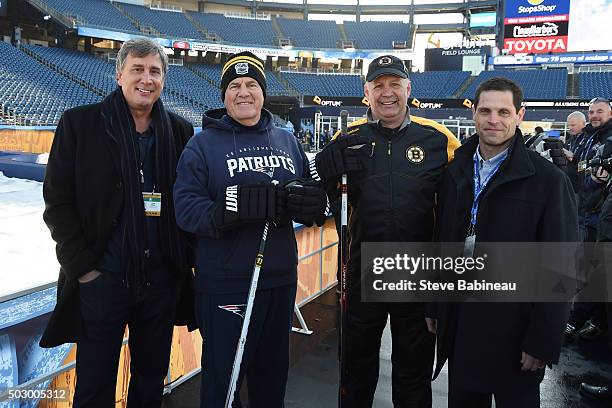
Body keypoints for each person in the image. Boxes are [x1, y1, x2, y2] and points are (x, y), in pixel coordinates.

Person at [41, 38, 196, 407]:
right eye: (138, 69)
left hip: (159, 283)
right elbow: (57, 204)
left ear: (164, 80)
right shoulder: (79, 124)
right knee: (94, 385)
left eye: (155, 71)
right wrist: (84, 270)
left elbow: (188, 204)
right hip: (102, 281)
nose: (147, 78)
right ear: (119, 75)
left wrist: (179, 266)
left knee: (149, 382)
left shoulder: (179, 132)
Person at [173, 51, 326, 408]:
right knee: (225, 383)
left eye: (252, 84)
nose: (244, 92)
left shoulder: (287, 141)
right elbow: (185, 208)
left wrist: (313, 202)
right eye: (235, 86)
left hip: (279, 279)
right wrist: (227, 211)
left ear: (263, 92)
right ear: (224, 95)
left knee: (271, 378)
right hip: (227, 282)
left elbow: (309, 191)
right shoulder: (201, 145)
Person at [315, 55, 460, 407]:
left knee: (413, 374)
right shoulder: (346, 138)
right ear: (366, 92)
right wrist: (323, 177)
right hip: (363, 272)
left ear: (408, 89)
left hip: (418, 275)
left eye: (395, 84)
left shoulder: (440, 140)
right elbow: (325, 200)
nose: (387, 93)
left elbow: (464, 204)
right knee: (356, 370)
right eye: (378, 85)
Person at [428, 77, 578, 408]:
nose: (493, 120)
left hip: (516, 331)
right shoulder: (456, 173)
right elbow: (445, 243)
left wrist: (542, 339)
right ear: (474, 115)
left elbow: (562, 267)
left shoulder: (549, 182)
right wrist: (437, 304)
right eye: (485, 111)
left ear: (519, 115)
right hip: (464, 325)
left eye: (503, 111)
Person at [567, 97, 612, 339]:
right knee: (588, 266)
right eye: (591, 111)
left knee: (596, 269)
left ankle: (583, 318)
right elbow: (586, 171)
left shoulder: (607, 138)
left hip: (601, 215)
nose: (594, 115)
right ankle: (594, 319)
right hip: (589, 209)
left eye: (600, 111)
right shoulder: (592, 137)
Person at [563, 111, 587, 196]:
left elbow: (588, 163)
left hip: (581, 187)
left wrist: (573, 157)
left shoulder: (589, 140)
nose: (570, 127)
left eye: (573, 125)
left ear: (583, 124)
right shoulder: (570, 140)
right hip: (568, 183)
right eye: (568, 125)